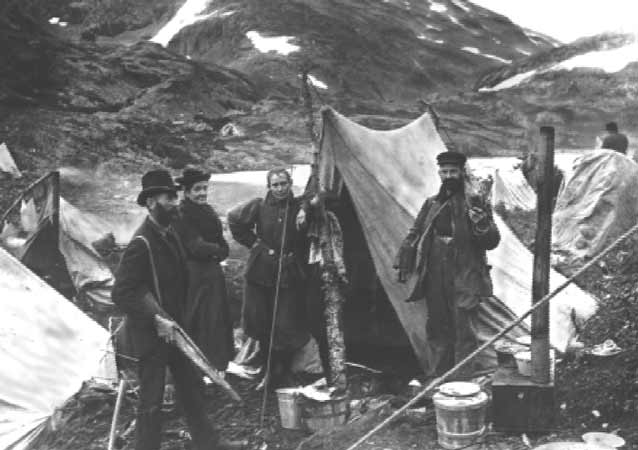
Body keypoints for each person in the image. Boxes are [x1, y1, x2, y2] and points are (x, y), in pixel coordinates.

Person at [112, 169, 242, 450]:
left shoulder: (169, 235)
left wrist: (178, 320)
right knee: (151, 402)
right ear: (150, 202)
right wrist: (155, 319)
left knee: (191, 392)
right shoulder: (141, 243)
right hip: (151, 335)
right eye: (168, 197)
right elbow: (122, 292)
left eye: (174, 196)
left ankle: (208, 444)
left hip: (176, 330)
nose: (174, 202)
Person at [395, 151, 500, 379]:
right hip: (435, 273)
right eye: (444, 172)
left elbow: (492, 241)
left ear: (462, 173)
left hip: (465, 273)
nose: (448, 176)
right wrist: (404, 261)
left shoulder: (476, 202)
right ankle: (439, 380)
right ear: (439, 173)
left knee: (465, 331)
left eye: (453, 172)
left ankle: (463, 382)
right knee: (437, 328)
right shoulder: (432, 203)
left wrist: (480, 221)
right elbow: (415, 232)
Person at [227, 168, 311, 388]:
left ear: (291, 183)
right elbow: (234, 219)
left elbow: (318, 195)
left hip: (289, 272)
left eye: (283, 184)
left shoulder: (299, 206)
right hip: (261, 272)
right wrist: (255, 244)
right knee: (262, 322)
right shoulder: (259, 206)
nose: (280, 189)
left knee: (285, 323)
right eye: (275, 185)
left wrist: (304, 207)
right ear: (269, 187)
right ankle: (268, 371)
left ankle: (282, 372)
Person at [173, 168, 234, 373]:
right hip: (194, 275)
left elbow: (223, 247)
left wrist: (217, 251)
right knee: (199, 318)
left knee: (216, 317)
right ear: (187, 192)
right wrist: (217, 250)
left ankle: (217, 365)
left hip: (212, 273)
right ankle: (197, 367)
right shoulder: (182, 214)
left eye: (204, 188)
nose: (202, 193)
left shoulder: (208, 211)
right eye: (197, 189)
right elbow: (195, 246)